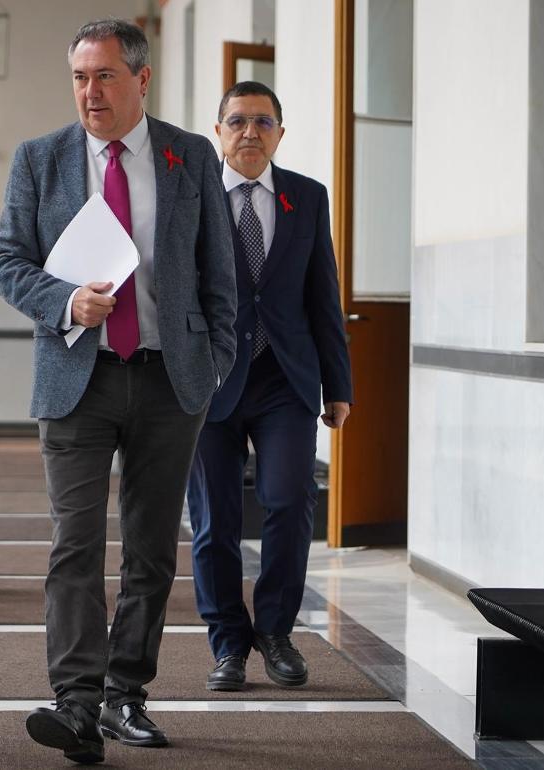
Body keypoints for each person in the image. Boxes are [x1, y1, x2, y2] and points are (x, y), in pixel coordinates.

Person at [0, 19, 237, 764]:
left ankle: (127, 693)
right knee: (75, 544)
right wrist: (66, 301)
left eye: (103, 76)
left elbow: (218, 270)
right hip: (78, 376)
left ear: (141, 79)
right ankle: (76, 702)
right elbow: (7, 263)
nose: (89, 92)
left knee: (154, 550)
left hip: (171, 378)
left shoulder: (189, 155)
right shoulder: (41, 160)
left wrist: (215, 361)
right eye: (79, 77)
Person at [186, 82, 352, 694]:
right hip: (209, 382)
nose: (249, 133)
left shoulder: (307, 198)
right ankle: (229, 643)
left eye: (262, 122)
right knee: (214, 522)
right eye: (237, 122)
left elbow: (322, 293)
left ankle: (276, 633)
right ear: (218, 131)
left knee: (289, 501)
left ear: (281, 132)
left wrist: (339, 382)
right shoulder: (194, 197)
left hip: (286, 378)